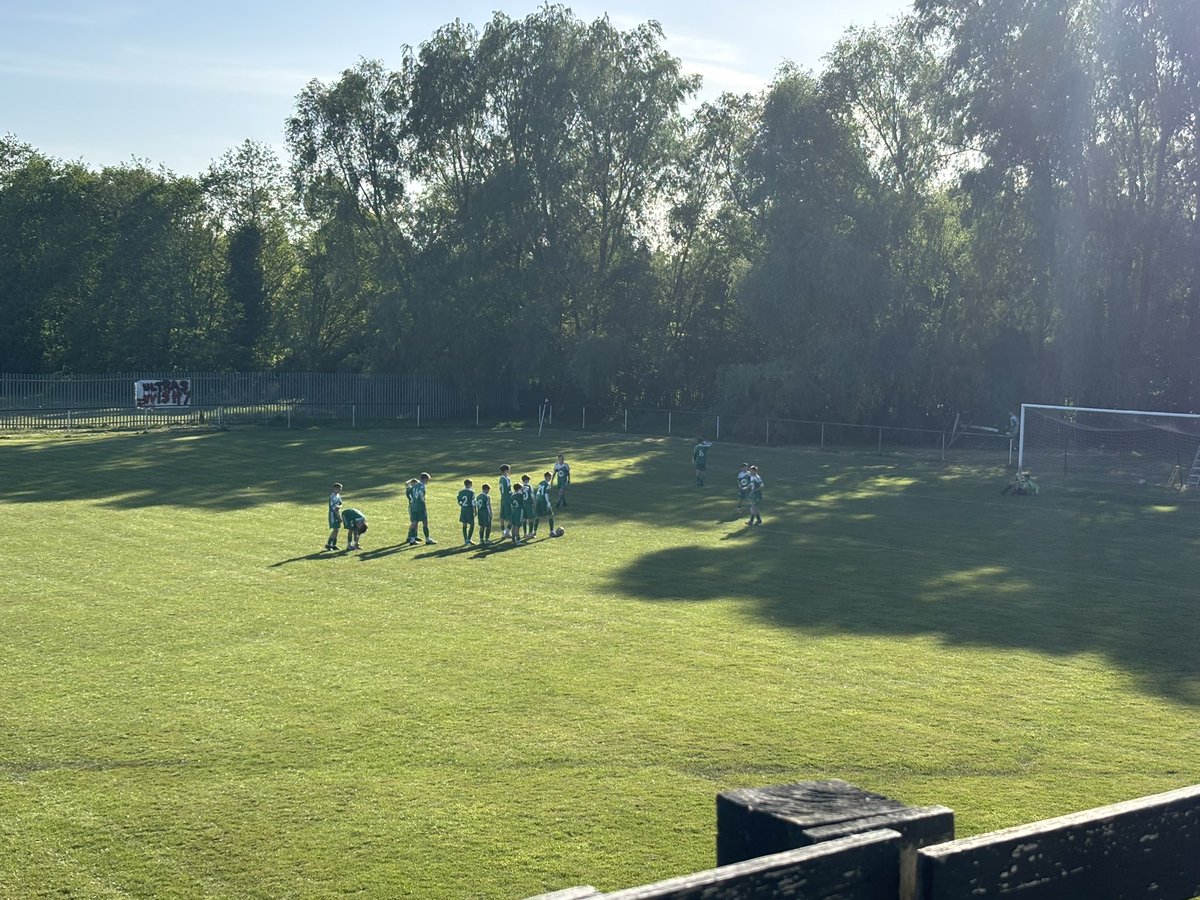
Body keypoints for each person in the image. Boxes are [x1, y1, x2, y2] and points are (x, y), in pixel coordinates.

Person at [406, 472, 436, 545]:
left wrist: (412, 500)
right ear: (425, 479)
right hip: (421, 506)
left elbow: (408, 492)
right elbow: (421, 494)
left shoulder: (414, 486)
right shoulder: (422, 486)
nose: (427, 482)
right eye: (427, 480)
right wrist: (422, 500)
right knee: (425, 522)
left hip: (413, 506)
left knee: (414, 522)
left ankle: (412, 539)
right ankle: (427, 539)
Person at [533, 471, 556, 537]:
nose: (551, 478)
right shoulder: (548, 484)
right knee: (550, 515)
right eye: (550, 477)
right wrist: (548, 503)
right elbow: (546, 494)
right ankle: (551, 532)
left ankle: (534, 532)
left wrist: (536, 501)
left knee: (537, 516)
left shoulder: (540, 483)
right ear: (548, 477)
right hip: (544, 501)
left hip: (538, 500)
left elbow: (537, 493)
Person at [457, 478, 476, 546]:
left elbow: (459, 501)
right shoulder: (471, 492)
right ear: (470, 484)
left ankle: (465, 540)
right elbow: (473, 502)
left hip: (463, 509)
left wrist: (461, 505)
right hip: (469, 509)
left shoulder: (461, 492)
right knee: (472, 524)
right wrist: (475, 511)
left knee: (464, 524)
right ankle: (469, 539)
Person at [324, 482, 343, 551]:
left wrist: (339, 506)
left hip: (338, 513)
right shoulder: (332, 497)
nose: (340, 490)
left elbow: (341, 503)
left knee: (337, 530)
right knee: (335, 529)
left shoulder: (338, 495)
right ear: (335, 489)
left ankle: (334, 545)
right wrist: (339, 517)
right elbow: (334, 509)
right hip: (333, 515)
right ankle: (328, 544)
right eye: (339, 489)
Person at [498, 465, 513, 537]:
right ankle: (507, 532)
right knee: (512, 516)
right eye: (509, 469)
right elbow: (509, 490)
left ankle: (503, 531)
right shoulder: (507, 479)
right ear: (506, 470)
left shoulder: (501, 479)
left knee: (502, 516)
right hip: (508, 499)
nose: (510, 471)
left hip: (503, 498)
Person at [519, 474, 535, 539]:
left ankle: (525, 533)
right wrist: (534, 503)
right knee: (531, 518)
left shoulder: (521, 487)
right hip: (528, 504)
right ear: (527, 480)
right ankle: (530, 533)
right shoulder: (529, 486)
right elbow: (532, 495)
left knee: (524, 519)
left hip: (523, 504)